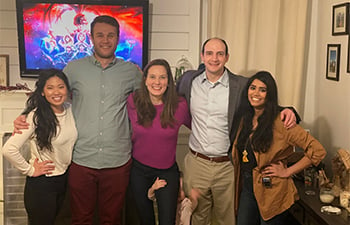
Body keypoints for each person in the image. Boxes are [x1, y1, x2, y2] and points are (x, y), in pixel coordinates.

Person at [13, 15, 142, 225]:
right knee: (80, 218)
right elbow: (51, 93)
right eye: (100, 35)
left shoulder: (130, 72)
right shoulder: (73, 69)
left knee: (113, 218)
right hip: (81, 159)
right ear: (91, 37)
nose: (105, 40)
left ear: (118, 38)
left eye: (110, 35)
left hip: (117, 160)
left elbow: (151, 101)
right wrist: (24, 114)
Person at [176, 37, 298, 225]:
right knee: (197, 217)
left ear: (227, 57)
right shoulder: (188, 80)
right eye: (209, 53)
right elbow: (168, 100)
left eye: (220, 54)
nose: (214, 58)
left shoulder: (241, 85)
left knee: (227, 219)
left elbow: (264, 99)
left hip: (227, 165)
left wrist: (289, 110)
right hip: (196, 163)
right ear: (202, 56)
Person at [231, 71, 326, 225]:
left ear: (270, 94)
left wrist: (287, 171)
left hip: (272, 189)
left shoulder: (282, 121)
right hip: (248, 187)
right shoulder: (245, 117)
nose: (256, 93)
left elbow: (317, 151)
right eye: (252, 88)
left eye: (262, 90)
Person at [3, 69, 77, 225]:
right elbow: (8, 149)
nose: (56, 92)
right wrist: (30, 170)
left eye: (61, 86)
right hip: (42, 186)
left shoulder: (71, 110)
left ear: (67, 90)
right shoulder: (35, 116)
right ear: (42, 92)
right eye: (50, 87)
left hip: (65, 180)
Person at [127, 59, 191, 225]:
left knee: (167, 221)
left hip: (166, 172)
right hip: (138, 171)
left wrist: (187, 175)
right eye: (153, 77)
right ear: (145, 80)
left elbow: (201, 131)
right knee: (144, 219)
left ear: (169, 81)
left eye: (162, 77)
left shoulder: (180, 105)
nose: (157, 82)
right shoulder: (133, 101)